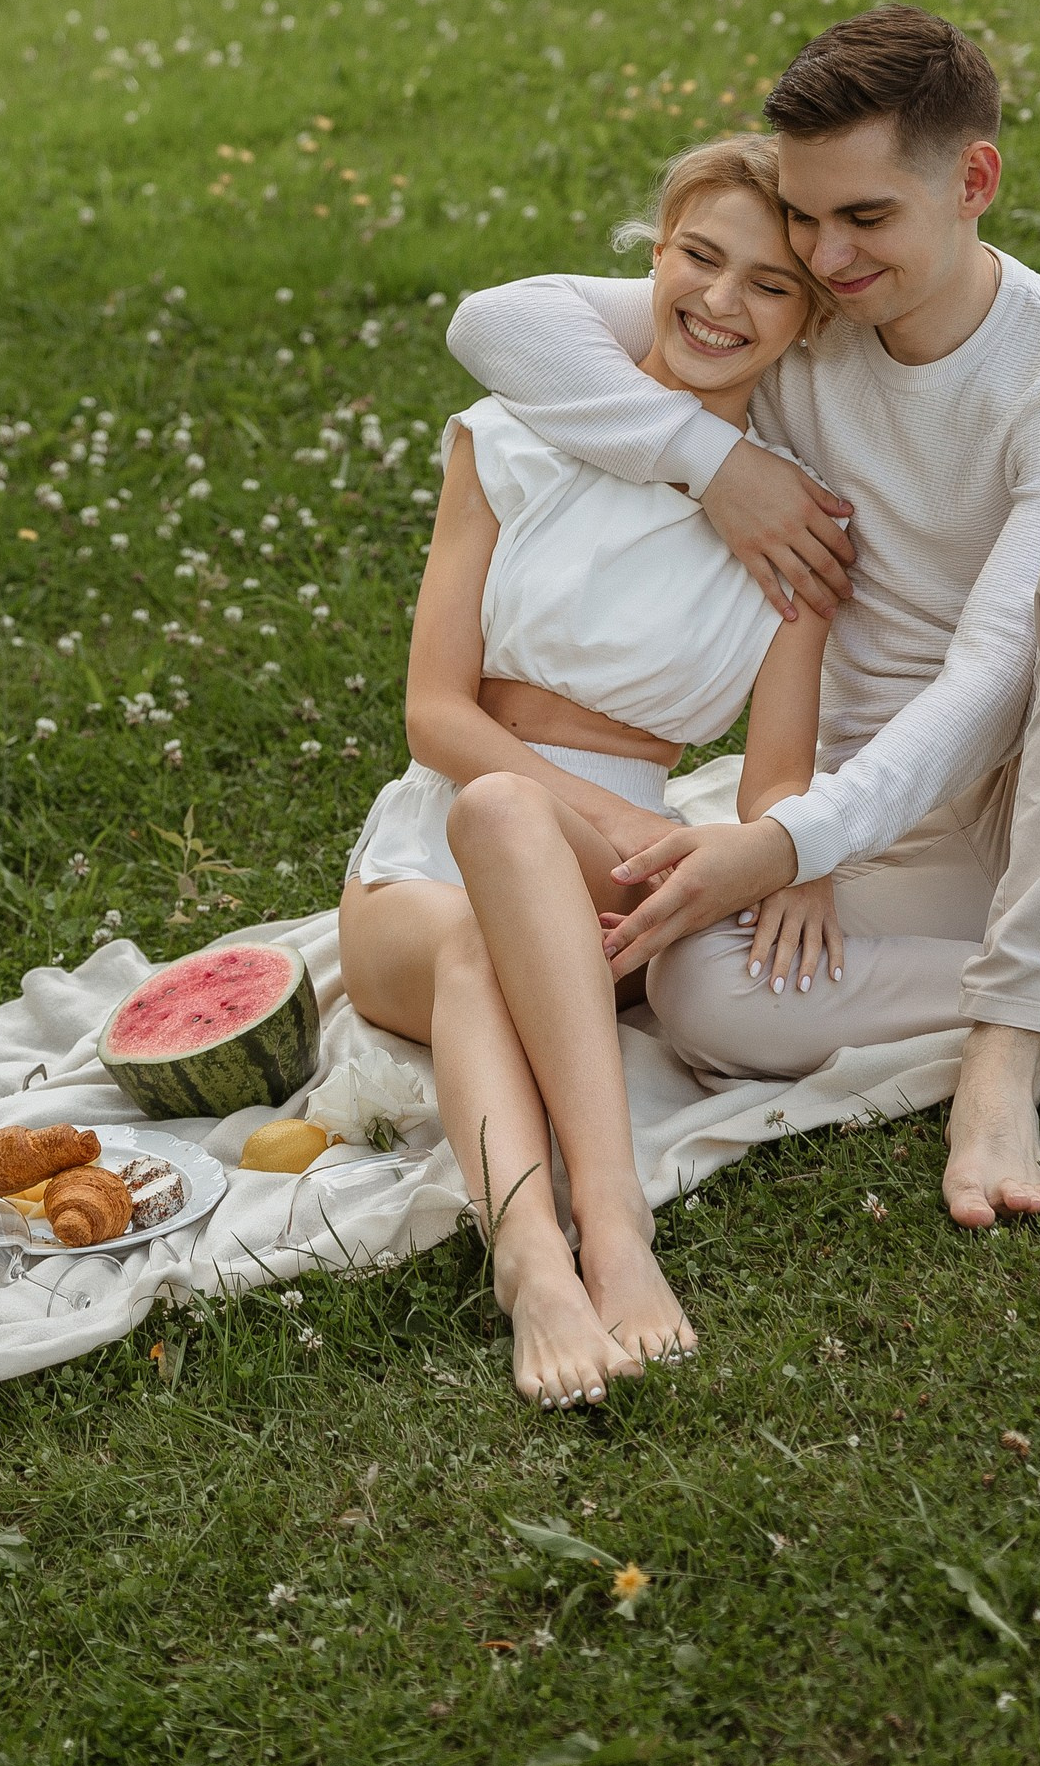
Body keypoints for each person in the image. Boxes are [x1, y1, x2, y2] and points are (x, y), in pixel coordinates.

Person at [446, 4, 1040, 1230]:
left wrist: (795, 838)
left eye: (864, 217)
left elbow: (993, 668)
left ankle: (1009, 1058)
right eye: (803, 216)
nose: (827, 254)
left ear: (973, 181)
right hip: (895, 831)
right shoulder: (804, 317)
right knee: (699, 991)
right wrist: (711, 460)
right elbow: (494, 322)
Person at [337, 136, 834, 1409]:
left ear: (808, 317)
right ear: (652, 259)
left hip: (613, 879)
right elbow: (433, 715)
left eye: (769, 286)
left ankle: (585, 1244)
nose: (720, 303)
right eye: (697, 258)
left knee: (509, 853)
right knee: (492, 829)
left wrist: (801, 854)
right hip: (429, 848)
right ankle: (556, 1254)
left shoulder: (797, 522)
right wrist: (607, 810)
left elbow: (774, 774)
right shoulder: (507, 439)